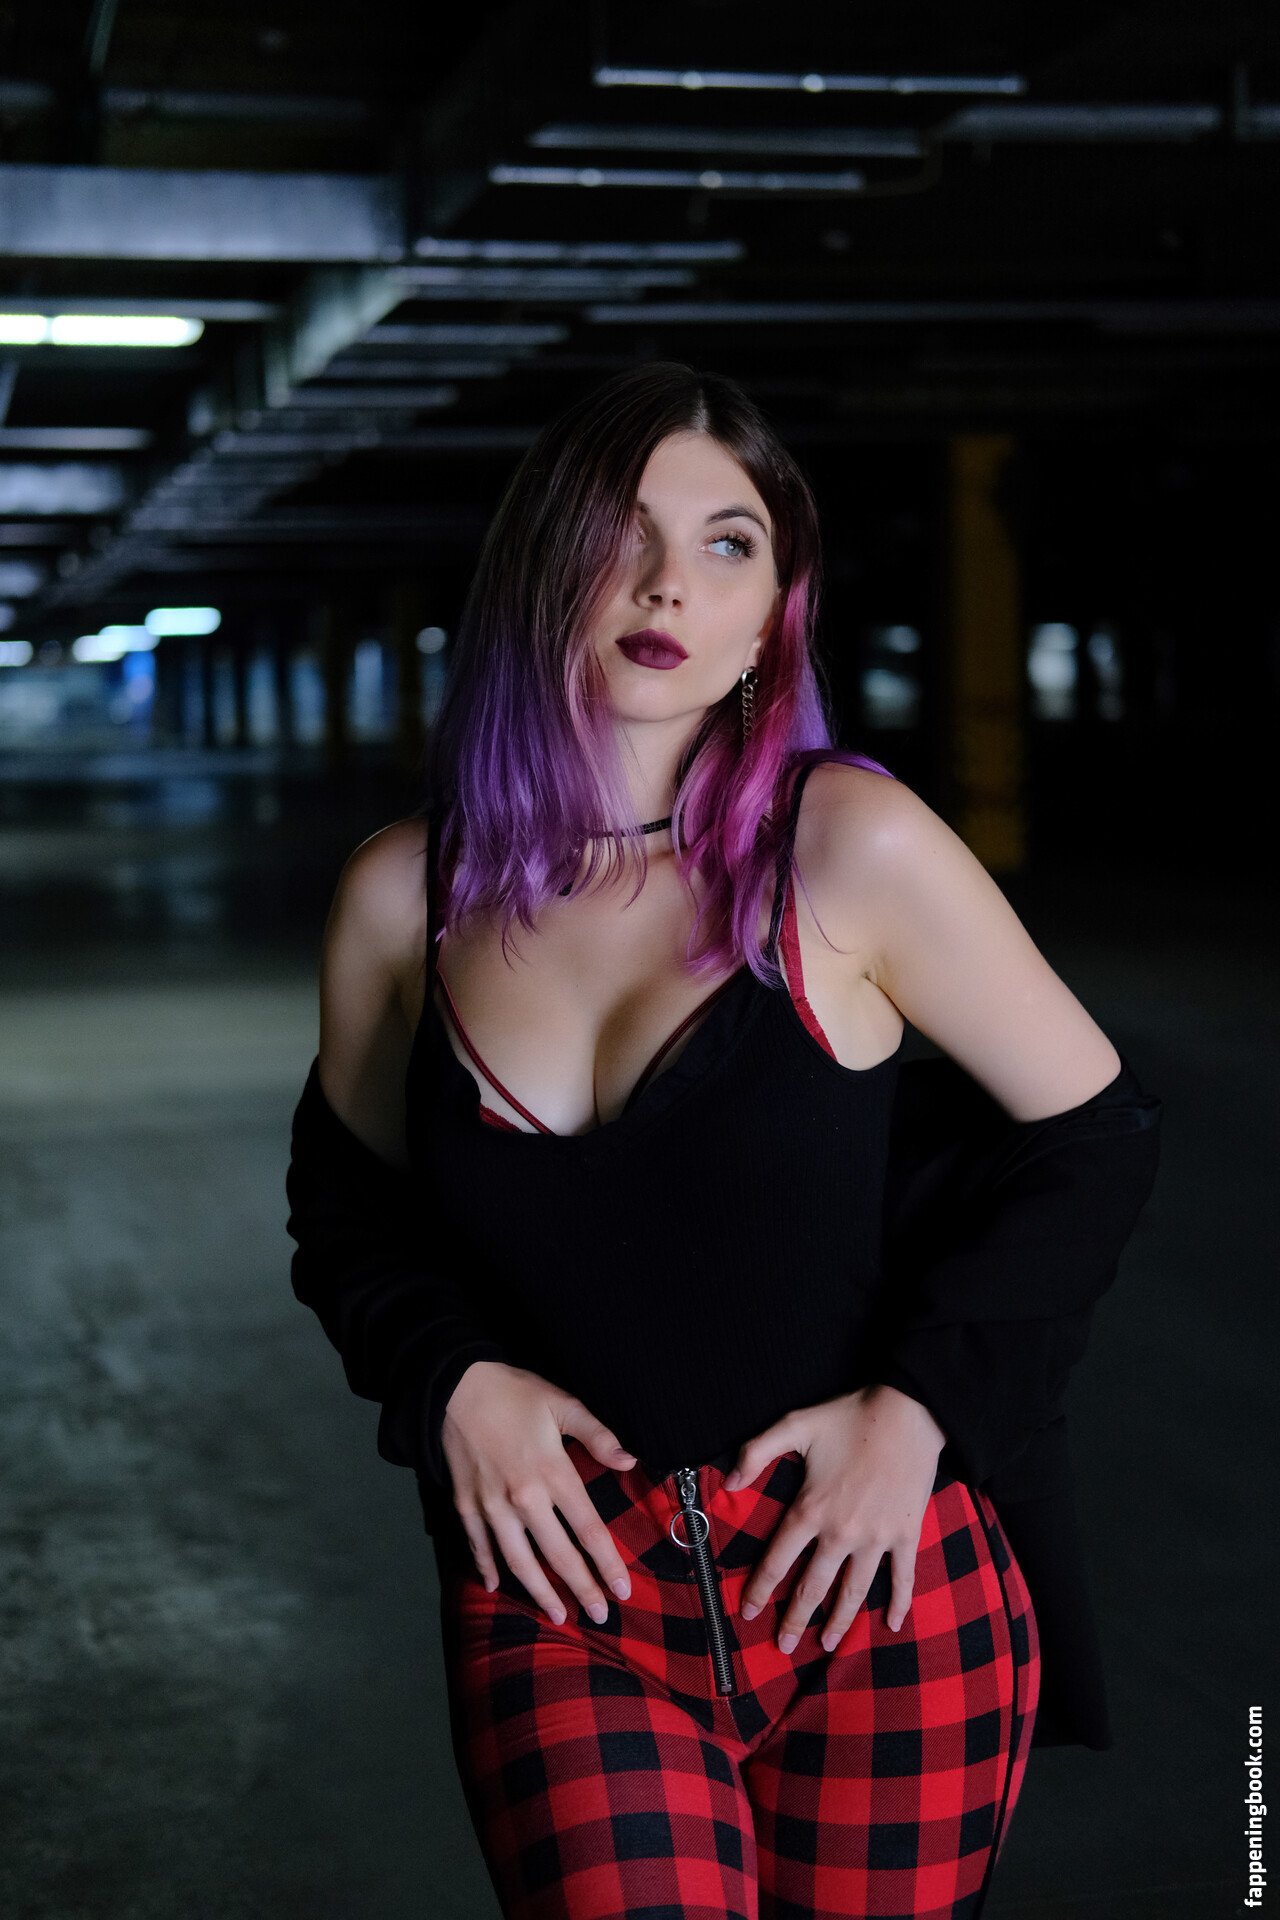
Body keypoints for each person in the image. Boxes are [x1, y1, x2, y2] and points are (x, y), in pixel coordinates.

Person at [286, 364, 1161, 1920]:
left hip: (868, 1576)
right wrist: (453, 1379)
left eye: (727, 543)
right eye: (620, 534)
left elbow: (1096, 1132)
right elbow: (351, 1207)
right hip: (568, 1592)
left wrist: (922, 1413)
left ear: (772, 613)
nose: (668, 584)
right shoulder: (402, 900)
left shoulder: (850, 849)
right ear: (537, 564)